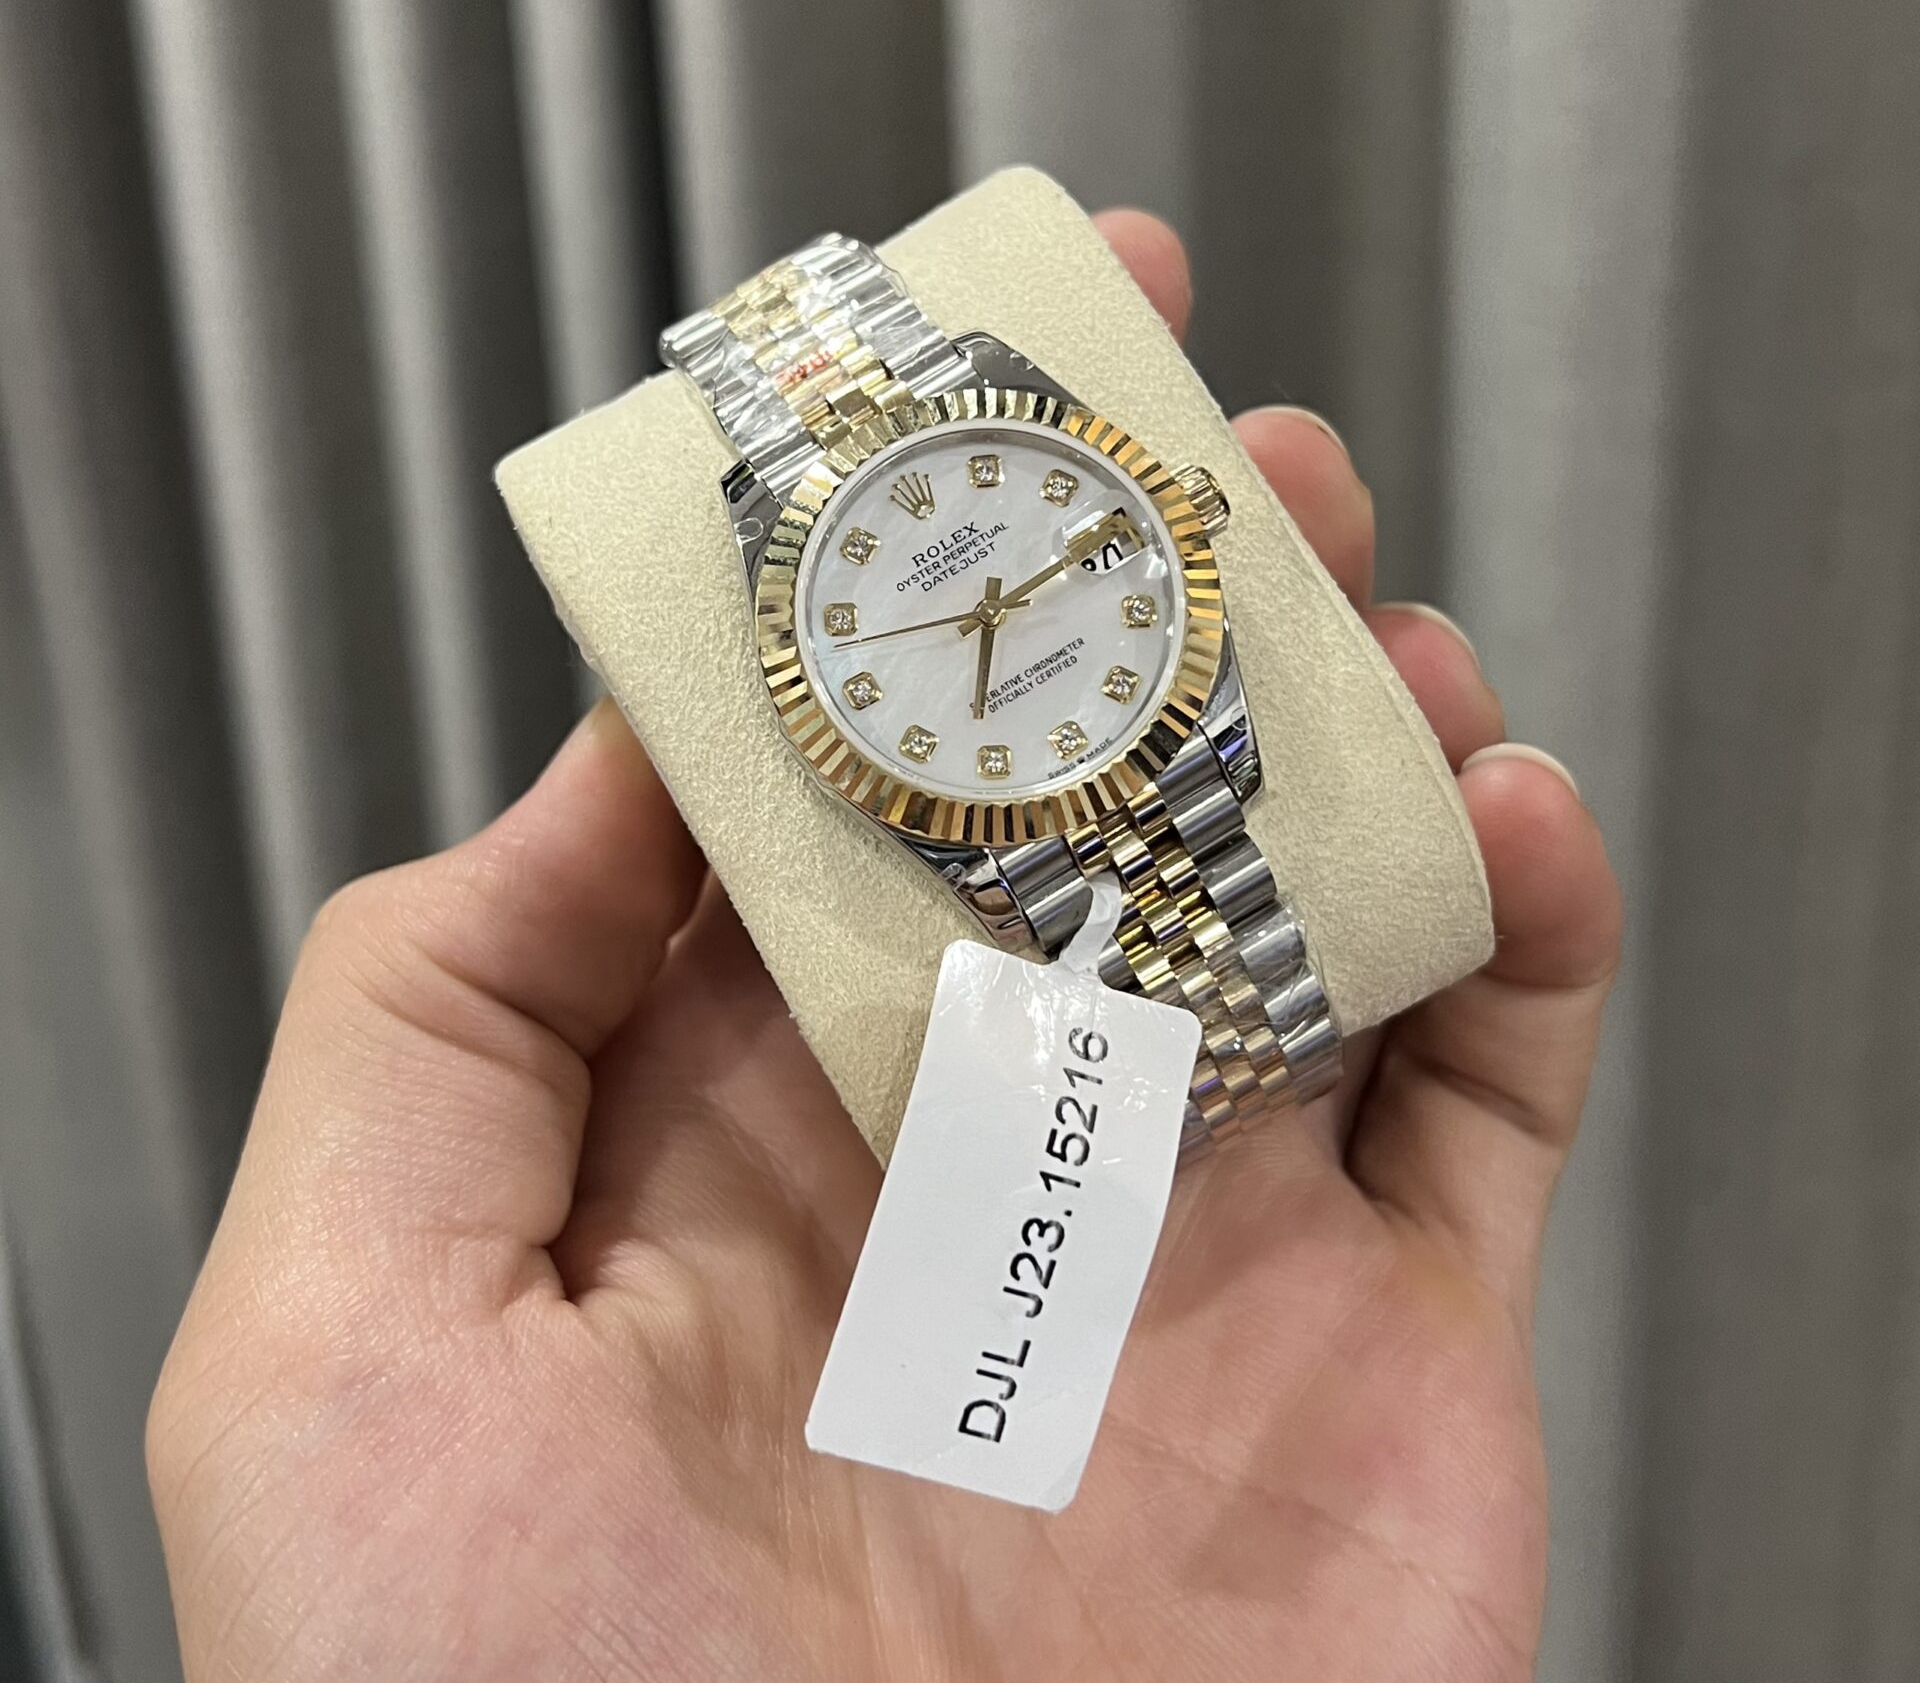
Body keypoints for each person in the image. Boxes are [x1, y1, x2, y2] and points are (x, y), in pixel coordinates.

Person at [146, 212, 1621, 1682]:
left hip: (1170, 743)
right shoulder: (821, 653)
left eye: (1001, 595)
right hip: (1025, 845)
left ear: (1171, 508)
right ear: (811, 699)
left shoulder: (1033, 481)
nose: (986, 612)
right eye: (949, 620)